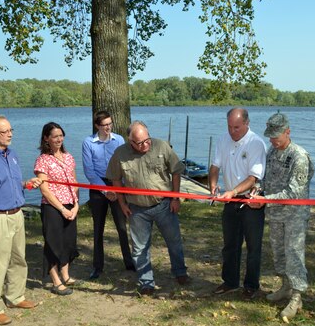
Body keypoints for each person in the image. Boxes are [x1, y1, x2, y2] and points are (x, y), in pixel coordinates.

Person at [106, 121, 189, 296]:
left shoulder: (161, 146)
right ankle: (146, 282)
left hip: (164, 205)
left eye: (147, 140)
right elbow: (115, 180)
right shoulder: (120, 154)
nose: (145, 145)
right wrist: (122, 204)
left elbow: (176, 171)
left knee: (174, 241)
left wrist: (175, 198)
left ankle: (180, 272)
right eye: (140, 142)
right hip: (137, 209)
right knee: (139, 248)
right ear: (130, 141)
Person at [250, 113, 314, 318]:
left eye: (276, 136)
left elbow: (294, 192)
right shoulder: (272, 152)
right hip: (275, 214)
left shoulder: (299, 156)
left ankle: (297, 296)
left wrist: (265, 199)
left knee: (294, 253)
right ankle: (286, 286)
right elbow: (266, 178)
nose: (272, 141)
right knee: (279, 253)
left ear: (288, 132)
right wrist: (258, 190)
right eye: (270, 137)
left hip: (294, 215)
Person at [0, 115, 41, 325]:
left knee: (18, 259)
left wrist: (26, 183)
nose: (10, 134)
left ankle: (15, 297)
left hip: (16, 214)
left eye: (11, 130)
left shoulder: (11, 154)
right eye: (5, 132)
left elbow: (9, 183)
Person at [208, 107, 266, 299]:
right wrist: (213, 185)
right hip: (229, 200)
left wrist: (232, 191)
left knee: (253, 246)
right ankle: (230, 282)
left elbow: (253, 178)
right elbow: (215, 166)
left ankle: (251, 285)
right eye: (230, 126)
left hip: (251, 201)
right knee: (230, 244)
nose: (233, 131)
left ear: (247, 124)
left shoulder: (256, 143)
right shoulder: (223, 139)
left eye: (237, 127)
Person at [82, 111, 134, 280]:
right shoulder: (88, 142)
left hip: (116, 184)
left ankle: (129, 261)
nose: (108, 128)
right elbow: (89, 171)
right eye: (104, 125)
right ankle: (97, 266)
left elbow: (124, 163)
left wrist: (116, 188)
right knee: (98, 228)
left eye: (109, 124)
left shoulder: (118, 140)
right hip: (98, 187)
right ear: (97, 126)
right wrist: (105, 190)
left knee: (121, 226)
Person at [34, 122, 80, 297]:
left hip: (71, 204)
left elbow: (75, 183)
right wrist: (61, 209)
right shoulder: (42, 160)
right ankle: (55, 280)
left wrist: (76, 205)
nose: (59, 139)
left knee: (68, 242)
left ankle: (66, 275)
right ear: (46, 138)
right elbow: (44, 189)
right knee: (54, 243)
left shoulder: (68, 157)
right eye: (55, 136)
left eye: (61, 135)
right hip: (52, 207)